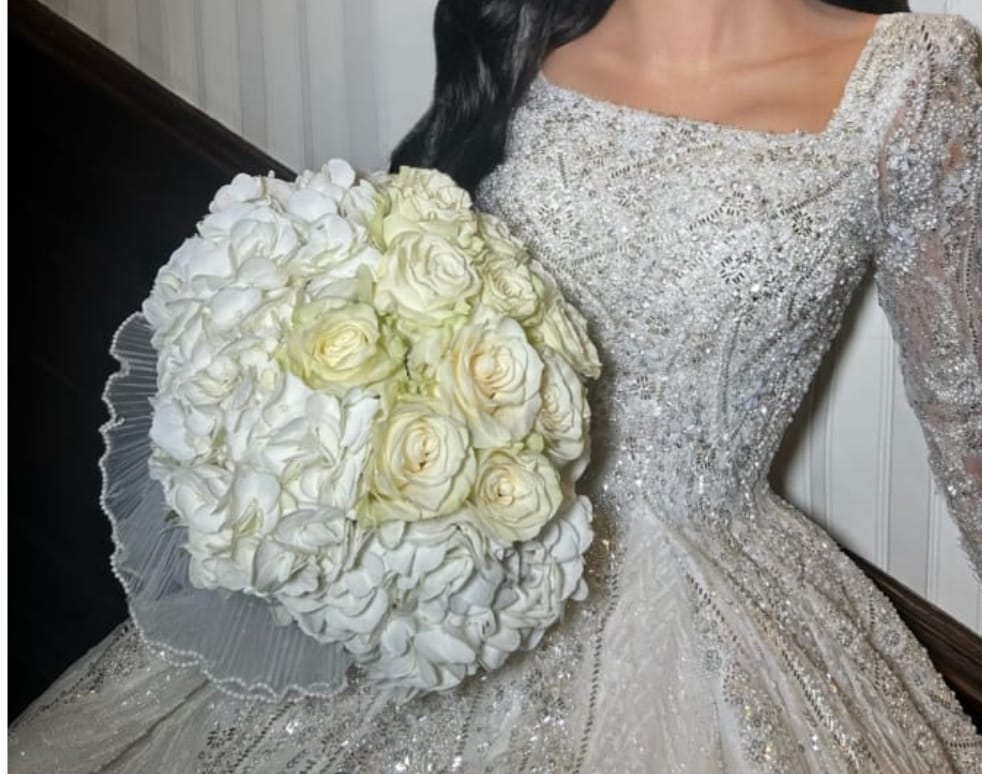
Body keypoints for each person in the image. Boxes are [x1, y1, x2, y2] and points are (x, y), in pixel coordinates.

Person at [9, 1, 982, 771]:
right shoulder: (524, 34)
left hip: (705, 601)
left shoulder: (910, 79)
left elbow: (964, 406)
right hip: (452, 555)